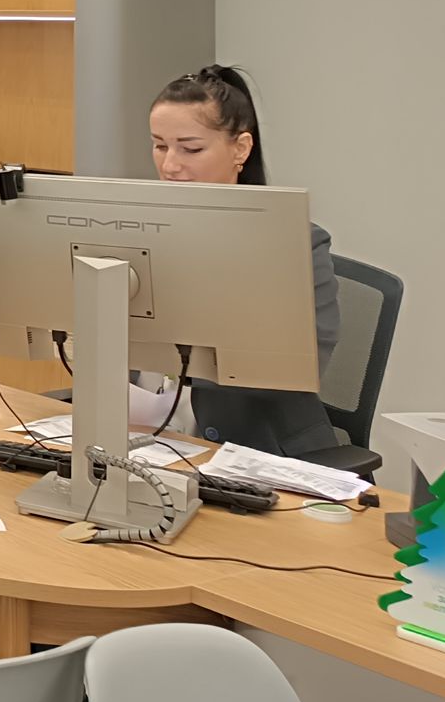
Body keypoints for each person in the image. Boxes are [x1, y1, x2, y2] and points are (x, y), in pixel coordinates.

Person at [146, 64, 343, 455]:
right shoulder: (140, 233)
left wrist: (179, 361)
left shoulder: (295, 245)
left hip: (257, 451)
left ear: (240, 148)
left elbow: (297, 368)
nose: (170, 166)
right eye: (160, 146)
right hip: (150, 439)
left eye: (191, 148)